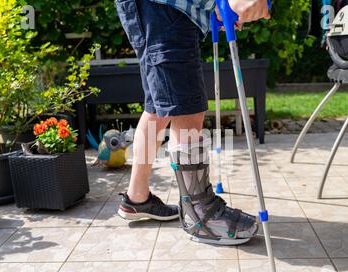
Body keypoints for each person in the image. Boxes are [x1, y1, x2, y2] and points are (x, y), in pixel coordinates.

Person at [116, 0, 270, 245]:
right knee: (186, 110)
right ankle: (199, 215)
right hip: (163, 9)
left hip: (155, 10)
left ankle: (137, 198)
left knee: (161, 106)